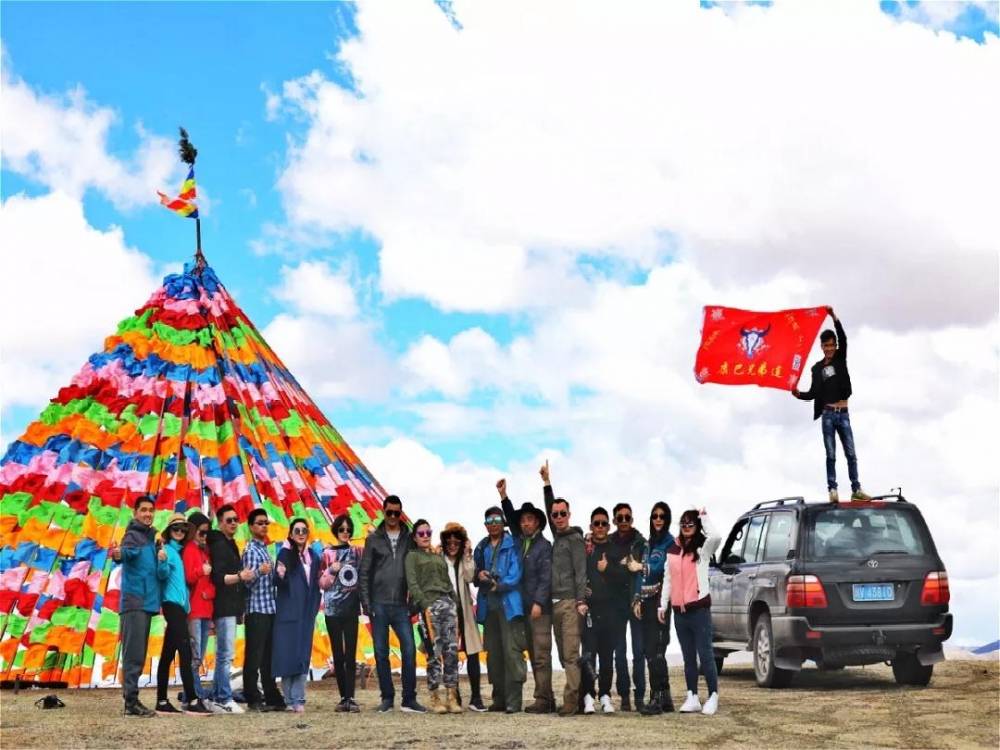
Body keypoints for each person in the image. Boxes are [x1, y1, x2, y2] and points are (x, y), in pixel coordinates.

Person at [792, 306, 871, 503]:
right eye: (825, 346)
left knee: (851, 453)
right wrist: (798, 394)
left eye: (831, 345)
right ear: (821, 347)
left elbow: (843, 338)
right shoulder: (817, 368)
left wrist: (833, 317)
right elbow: (812, 393)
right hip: (828, 415)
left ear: (835, 346)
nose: (828, 349)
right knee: (831, 454)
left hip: (843, 413)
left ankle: (856, 488)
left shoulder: (840, 358)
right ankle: (832, 489)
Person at [359, 495, 425, 713]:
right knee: (381, 652)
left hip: (400, 604)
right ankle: (387, 697)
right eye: (390, 512)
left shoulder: (409, 537)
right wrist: (367, 604)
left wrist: (414, 603)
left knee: (409, 649)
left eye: (397, 512)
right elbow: (365, 573)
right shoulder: (374, 539)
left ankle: (409, 698)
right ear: (383, 511)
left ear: (401, 512)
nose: (394, 517)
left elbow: (416, 570)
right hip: (378, 603)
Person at [659, 508, 723, 715]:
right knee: (688, 657)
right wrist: (663, 605)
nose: (686, 528)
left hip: (699, 610)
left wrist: (704, 516)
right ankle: (692, 696)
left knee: (705, 654)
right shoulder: (672, 550)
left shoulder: (703, 549)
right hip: (680, 612)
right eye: (683, 524)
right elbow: (668, 580)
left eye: (691, 524)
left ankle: (713, 695)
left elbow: (716, 536)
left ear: (696, 527)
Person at [498, 478, 554, 714]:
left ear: (538, 522)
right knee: (529, 652)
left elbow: (546, 577)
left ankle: (544, 699)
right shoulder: (519, 542)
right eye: (522, 520)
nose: (525, 523)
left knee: (541, 654)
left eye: (529, 519)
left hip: (538, 608)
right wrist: (503, 497)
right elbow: (510, 520)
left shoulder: (545, 546)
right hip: (521, 606)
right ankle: (544, 697)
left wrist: (539, 603)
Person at [540, 461, 588, 717]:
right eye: (555, 514)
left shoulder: (575, 540)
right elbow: (549, 506)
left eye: (562, 513)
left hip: (570, 604)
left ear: (569, 514)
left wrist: (581, 601)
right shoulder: (557, 537)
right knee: (563, 655)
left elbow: (581, 572)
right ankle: (575, 700)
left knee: (570, 656)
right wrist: (547, 483)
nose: (558, 517)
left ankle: (571, 704)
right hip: (553, 604)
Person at [111, 494, 166, 717]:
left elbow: (158, 573)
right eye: (143, 510)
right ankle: (131, 703)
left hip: (146, 603)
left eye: (151, 510)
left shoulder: (151, 538)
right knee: (133, 655)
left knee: (138, 653)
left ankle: (132, 700)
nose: (147, 514)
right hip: (135, 602)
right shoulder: (133, 535)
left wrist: (160, 556)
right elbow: (124, 552)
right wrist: (117, 554)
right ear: (135, 513)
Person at [474, 506, 527, 714]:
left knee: (512, 652)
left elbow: (516, 573)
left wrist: (500, 584)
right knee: (493, 654)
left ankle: (514, 701)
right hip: (489, 606)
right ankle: (499, 699)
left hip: (509, 605)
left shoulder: (513, 543)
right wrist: (479, 574)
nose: (494, 523)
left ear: (503, 521)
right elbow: (474, 572)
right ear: (485, 524)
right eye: (489, 520)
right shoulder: (481, 547)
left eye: (497, 519)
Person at [406, 519, 462, 714]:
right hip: (428, 607)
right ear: (415, 537)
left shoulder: (438, 557)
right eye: (421, 533)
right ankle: (435, 697)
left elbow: (447, 582)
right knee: (434, 653)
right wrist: (424, 604)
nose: (425, 536)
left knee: (452, 652)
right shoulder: (412, 557)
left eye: (428, 532)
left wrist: (456, 604)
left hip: (448, 605)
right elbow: (412, 583)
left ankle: (452, 697)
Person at [154, 512, 209, 715]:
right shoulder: (167, 550)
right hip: (171, 605)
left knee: (168, 653)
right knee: (185, 651)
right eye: (175, 529)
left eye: (183, 529)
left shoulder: (180, 551)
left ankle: (161, 701)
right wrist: (161, 561)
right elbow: (162, 575)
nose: (179, 532)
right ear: (169, 532)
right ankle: (193, 700)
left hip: (181, 608)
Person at [581, 506, 631, 715]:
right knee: (588, 655)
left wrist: (607, 569)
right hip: (590, 611)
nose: (600, 527)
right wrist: (581, 590)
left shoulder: (616, 548)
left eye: (603, 523)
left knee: (607, 656)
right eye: (596, 523)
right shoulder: (585, 549)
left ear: (608, 526)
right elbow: (577, 573)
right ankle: (588, 696)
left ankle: (605, 695)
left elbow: (625, 576)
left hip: (611, 611)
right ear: (591, 526)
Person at [272, 517, 322, 713]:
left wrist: (315, 606)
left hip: (306, 613)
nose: (301, 534)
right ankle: (289, 699)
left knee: (302, 655)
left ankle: (299, 698)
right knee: (287, 655)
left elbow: (317, 584)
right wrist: (280, 574)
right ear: (291, 534)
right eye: (297, 531)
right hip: (288, 612)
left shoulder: (314, 557)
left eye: (304, 530)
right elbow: (278, 580)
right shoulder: (284, 554)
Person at [206, 503, 252, 713]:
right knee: (226, 655)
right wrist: (239, 577)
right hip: (223, 606)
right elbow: (217, 577)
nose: (234, 523)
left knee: (224, 654)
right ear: (220, 523)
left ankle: (218, 695)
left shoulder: (230, 543)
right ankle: (223, 697)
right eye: (229, 520)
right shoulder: (218, 544)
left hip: (231, 606)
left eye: (236, 520)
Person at [439, 522, 486, 712]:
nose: (452, 544)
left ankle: (476, 697)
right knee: (449, 655)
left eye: (457, 540)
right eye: (449, 540)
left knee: (472, 652)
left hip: (464, 610)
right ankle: (454, 695)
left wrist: (467, 553)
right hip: (446, 610)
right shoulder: (439, 559)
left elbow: (469, 577)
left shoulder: (464, 559)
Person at [634, 502, 675, 716]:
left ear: (667, 519)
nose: (658, 519)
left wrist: (640, 566)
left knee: (657, 649)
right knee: (651, 649)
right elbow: (642, 578)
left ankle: (656, 697)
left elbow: (661, 569)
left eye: (662, 516)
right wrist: (637, 599)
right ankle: (665, 697)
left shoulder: (670, 543)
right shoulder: (649, 544)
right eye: (654, 516)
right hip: (647, 602)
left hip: (661, 603)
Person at [242, 508, 284, 712]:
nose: (264, 526)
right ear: (251, 527)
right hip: (256, 610)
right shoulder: (250, 550)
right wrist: (260, 571)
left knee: (268, 656)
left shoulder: (264, 549)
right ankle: (252, 696)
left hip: (269, 609)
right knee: (254, 656)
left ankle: (271, 694)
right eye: (260, 523)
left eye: (266, 523)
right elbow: (246, 583)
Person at [320, 514, 362, 712]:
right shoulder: (326, 553)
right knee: (338, 652)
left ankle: (351, 697)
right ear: (335, 531)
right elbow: (322, 583)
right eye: (341, 529)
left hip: (352, 607)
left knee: (351, 652)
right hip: (332, 609)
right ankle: (343, 696)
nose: (345, 532)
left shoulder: (357, 552)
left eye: (348, 529)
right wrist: (331, 570)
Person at [609, 502, 646, 711]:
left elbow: (642, 571)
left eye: (627, 517)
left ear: (632, 519)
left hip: (636, 602)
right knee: (619, 652)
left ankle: (639, 695)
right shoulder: (609, 542)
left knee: (638, 651)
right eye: (620, 518)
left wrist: (625, 566)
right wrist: (623, 566)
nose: (624, 521)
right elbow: (607, 570)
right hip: (615, 603)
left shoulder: (641, 543)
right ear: (614, 520)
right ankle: (624, 696)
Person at [181, 512, 214, 706]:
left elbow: (211, 581)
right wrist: (202, 570)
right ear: (193, 530)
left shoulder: (204, 550)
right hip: (194, 610)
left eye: (206, 533)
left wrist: (210, 593)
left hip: (206, 608)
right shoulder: (189, 550)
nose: (204, 536)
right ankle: (193, 695)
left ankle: (192, 694)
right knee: (194, 655)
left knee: (198, 655)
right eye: (201, 532)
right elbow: (189, 577)